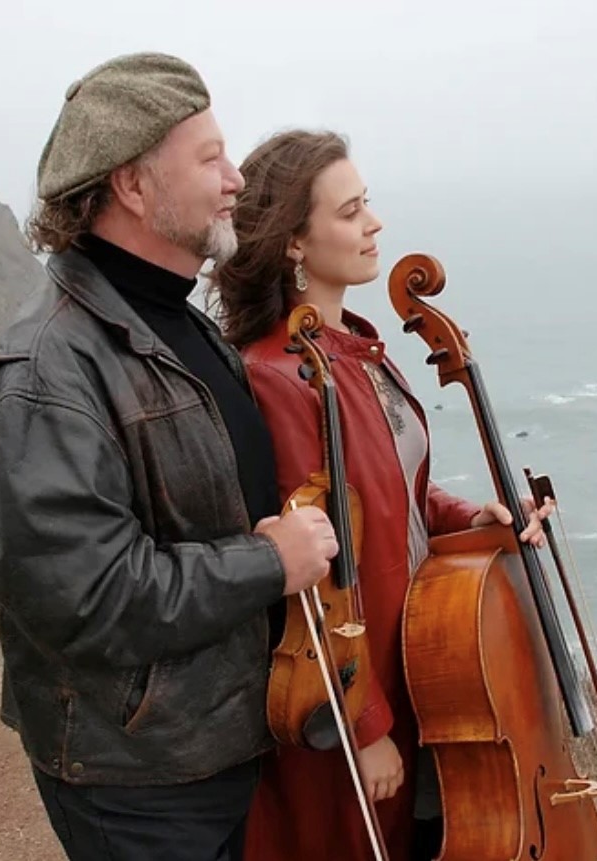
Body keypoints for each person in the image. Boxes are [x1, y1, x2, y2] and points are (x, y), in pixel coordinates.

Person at [0, 54, 338, 861]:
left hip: (212, 741)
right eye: (209, 158)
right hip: (138, 776)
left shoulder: (180, 325)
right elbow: (88, 596)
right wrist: (268, 562)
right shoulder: (44, 375)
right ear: (132, 185)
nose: (236, 178)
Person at [212, 130, 551, 861]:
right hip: (350, 697)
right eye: (351, 210)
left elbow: (395, 495)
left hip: (416, 671)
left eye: (368, 204)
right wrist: (362, 727)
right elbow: (312, 580)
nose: (375, 224)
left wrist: (470, 516)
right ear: (295, 243)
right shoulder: (280, 377)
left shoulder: (358, 349)